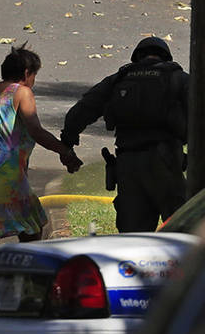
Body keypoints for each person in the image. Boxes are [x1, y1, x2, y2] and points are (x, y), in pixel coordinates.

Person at [0, 45, 82, 272]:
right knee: (32, 231)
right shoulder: (22, 92)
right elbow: (36, 130)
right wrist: (65, 152)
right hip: (3, 173)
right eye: (34, 75)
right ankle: (29, 288)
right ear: (27, 73)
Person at [60, 36, 189, 233]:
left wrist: (68, 142)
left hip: (128, 164)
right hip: (167, 161)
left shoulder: (119, 79)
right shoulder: (178, 78)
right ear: (166, 58)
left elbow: (80, 112)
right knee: (182, 231)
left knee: (132, 236)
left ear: (137, 57)